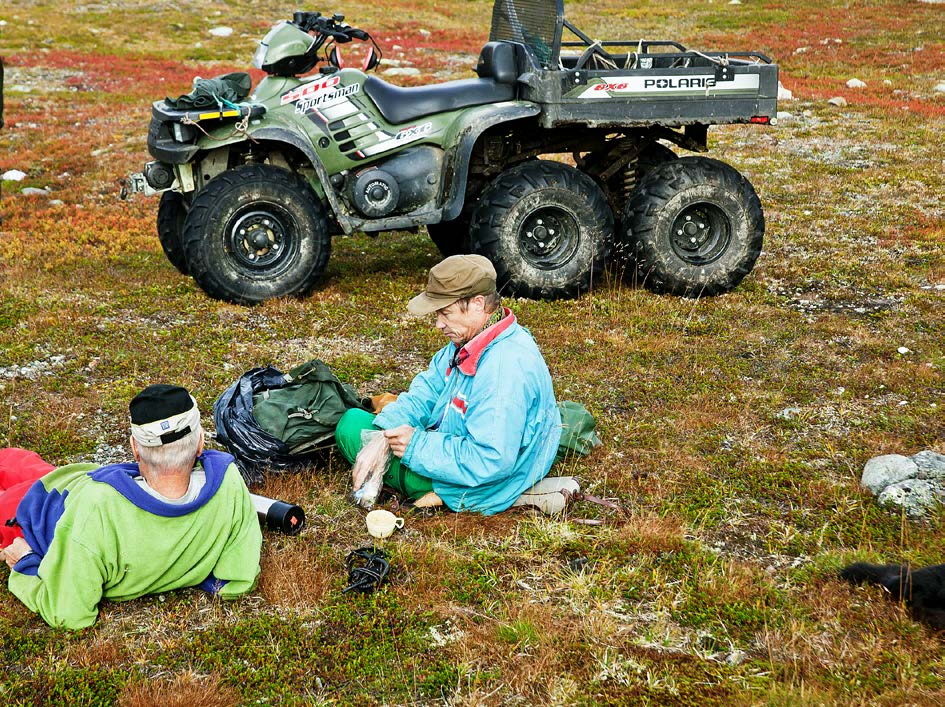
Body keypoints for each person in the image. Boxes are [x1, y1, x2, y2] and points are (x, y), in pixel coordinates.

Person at [0, 384, 262, 630]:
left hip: (36, 509)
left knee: (12, 464)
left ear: (135, 448)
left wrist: (26, 563)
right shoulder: (228, 481)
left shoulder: (99, 508)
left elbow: (69, 612)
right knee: (17, 460)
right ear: (201, 441)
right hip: (77, 482)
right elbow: (237, 579)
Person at [335, 254, 562, 515]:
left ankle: (445, 494)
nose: (438, 324)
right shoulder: (469, 341)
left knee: (352, 434)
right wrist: (383, 437)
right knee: (352, 422)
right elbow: (425, 392)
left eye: (445, 313)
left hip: (484, 482)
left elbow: (492, 460)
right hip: (448, 444)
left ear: (478, 304)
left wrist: (415, 446)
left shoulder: (503, 369)